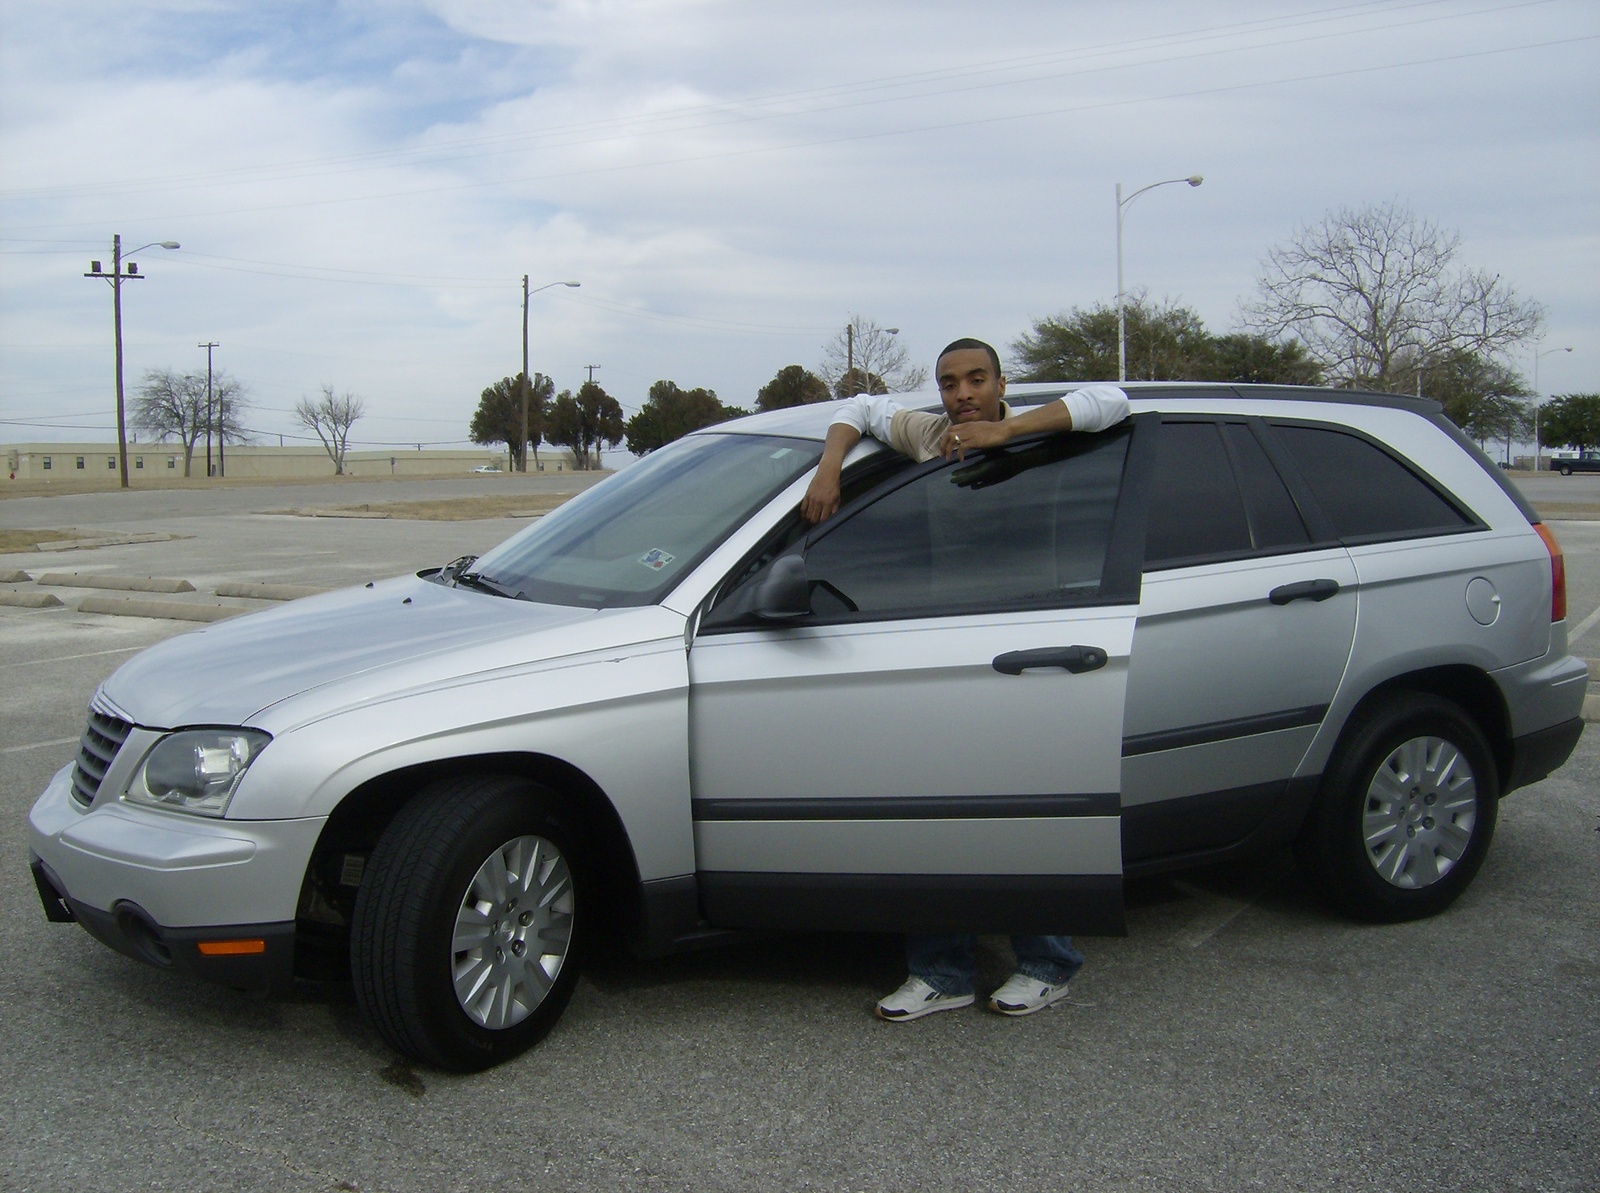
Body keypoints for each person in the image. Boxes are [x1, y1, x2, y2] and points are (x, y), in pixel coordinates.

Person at [801, 337, 1131, 1021]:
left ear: (1001, 382)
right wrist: (829, 469)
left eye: (977, 379)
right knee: (933, 809)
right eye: (950, 383)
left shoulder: (1044, 432)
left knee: (1027, 809)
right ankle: (941, 972)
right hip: (947, 643)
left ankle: (1048, 964)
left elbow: (1113, 401)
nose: (963, 395)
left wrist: (1005, 432)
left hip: (1028, 646)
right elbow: (858, 408)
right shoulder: (930, 437)